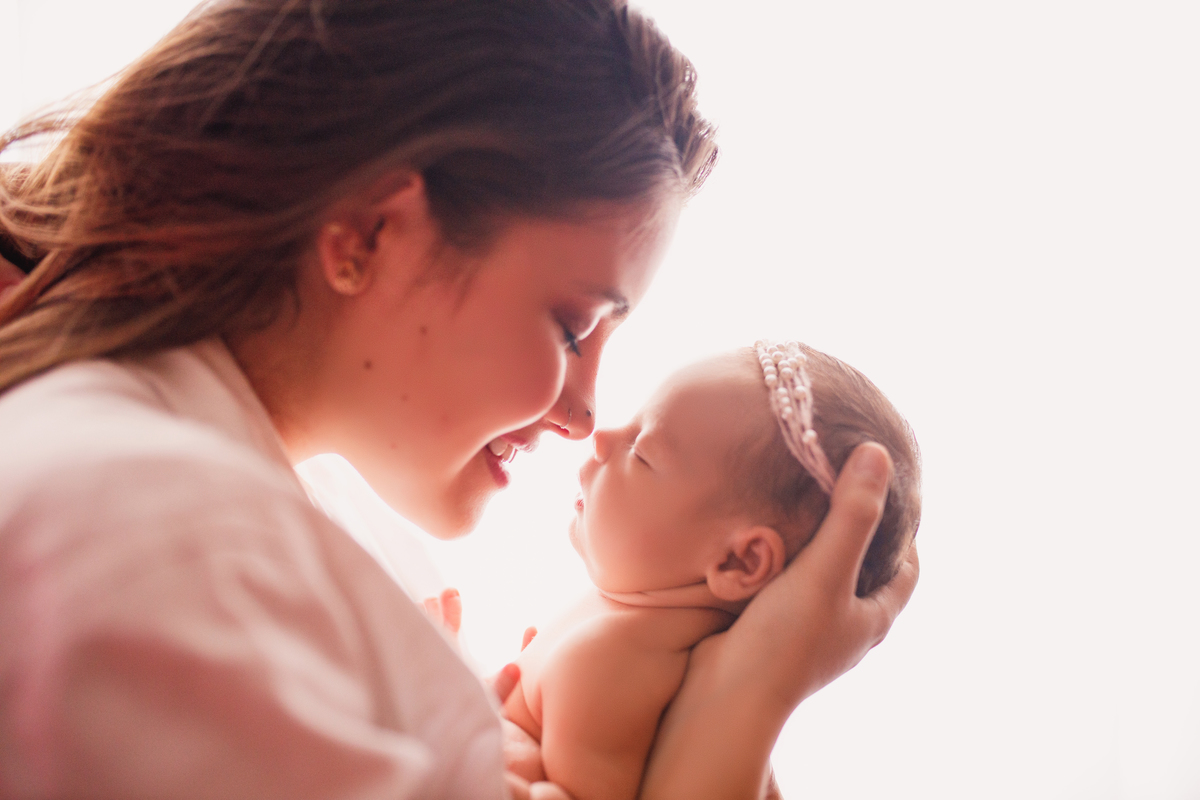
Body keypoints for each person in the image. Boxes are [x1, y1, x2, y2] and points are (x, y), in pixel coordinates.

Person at [0, 1, 918, 798]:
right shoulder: (158, 545)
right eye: (570, 329)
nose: (585, 415)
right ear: (370, 233)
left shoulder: (314, 514)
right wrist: (748, 697)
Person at [502, 343, 921, 800]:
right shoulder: (635, 636)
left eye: (642, 452)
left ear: (737, 562)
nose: (602, 437)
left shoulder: (606, 663)